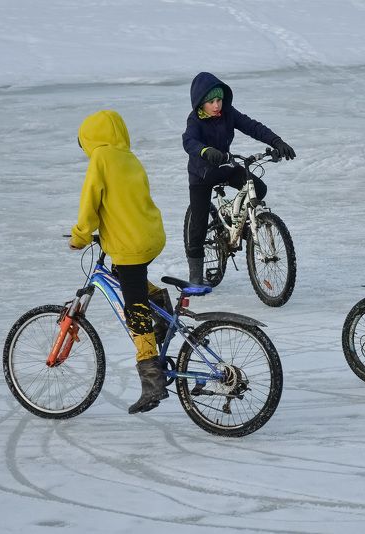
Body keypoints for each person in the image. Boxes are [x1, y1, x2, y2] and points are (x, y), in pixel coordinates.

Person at [68, 110, 168, 414]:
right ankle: (160, 301)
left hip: (130, 245)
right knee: (122, 274)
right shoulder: (129, 157)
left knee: (133, 308)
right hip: (150, 236)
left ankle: (152, 380)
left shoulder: (101, 159)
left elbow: (91, 201)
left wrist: (81, 235)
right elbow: (124, 202)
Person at [182, 71, 296, 285]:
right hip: (201, 174)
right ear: (201, 103)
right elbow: (189, 141)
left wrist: (276, 141)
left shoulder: (228, 113)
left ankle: (242, 224)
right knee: (197, 226)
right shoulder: (195, 121)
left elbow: (252, 126)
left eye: (219, 100)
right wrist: (205, 151)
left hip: (225, 166)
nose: (217, 105)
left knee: (258, 188)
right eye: (211, 102)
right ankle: (195, 277)